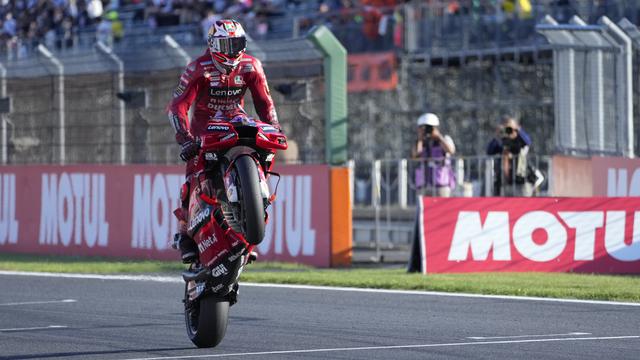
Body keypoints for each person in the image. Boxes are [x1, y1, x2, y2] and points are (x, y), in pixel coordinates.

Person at [167, 19, 280, 262]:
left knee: (261, 152)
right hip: (204, 130)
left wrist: (274, 129)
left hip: (237, 123)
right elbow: (177, 107)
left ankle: (255, 207)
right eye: (226, 44)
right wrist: (185, 139)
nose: (231, 50)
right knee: (193, 176)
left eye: (236, 43)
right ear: (212, 45)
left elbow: (265, 103)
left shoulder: (252, 66)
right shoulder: (198, 68)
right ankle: (183, 234)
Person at [486, 115, 535, 197]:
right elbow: (490, 151)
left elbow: (528, 142)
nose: (509, 131)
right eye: (507, 128)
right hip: (505, 182)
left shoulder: (521, 140)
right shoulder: (503, 141)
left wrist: (517, 130)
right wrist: (497, 135)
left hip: (522, 180)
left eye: (511, 128)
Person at [411, 113, 456, 197]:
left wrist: (439, 137)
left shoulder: (445, 139)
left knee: (442, 208)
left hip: (441, 182)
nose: (427, 130)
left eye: (429, 128)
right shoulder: (419, 142)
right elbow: (415, 156)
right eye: (423, 128)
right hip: (423, 183)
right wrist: (420, 140)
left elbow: (450, 150)